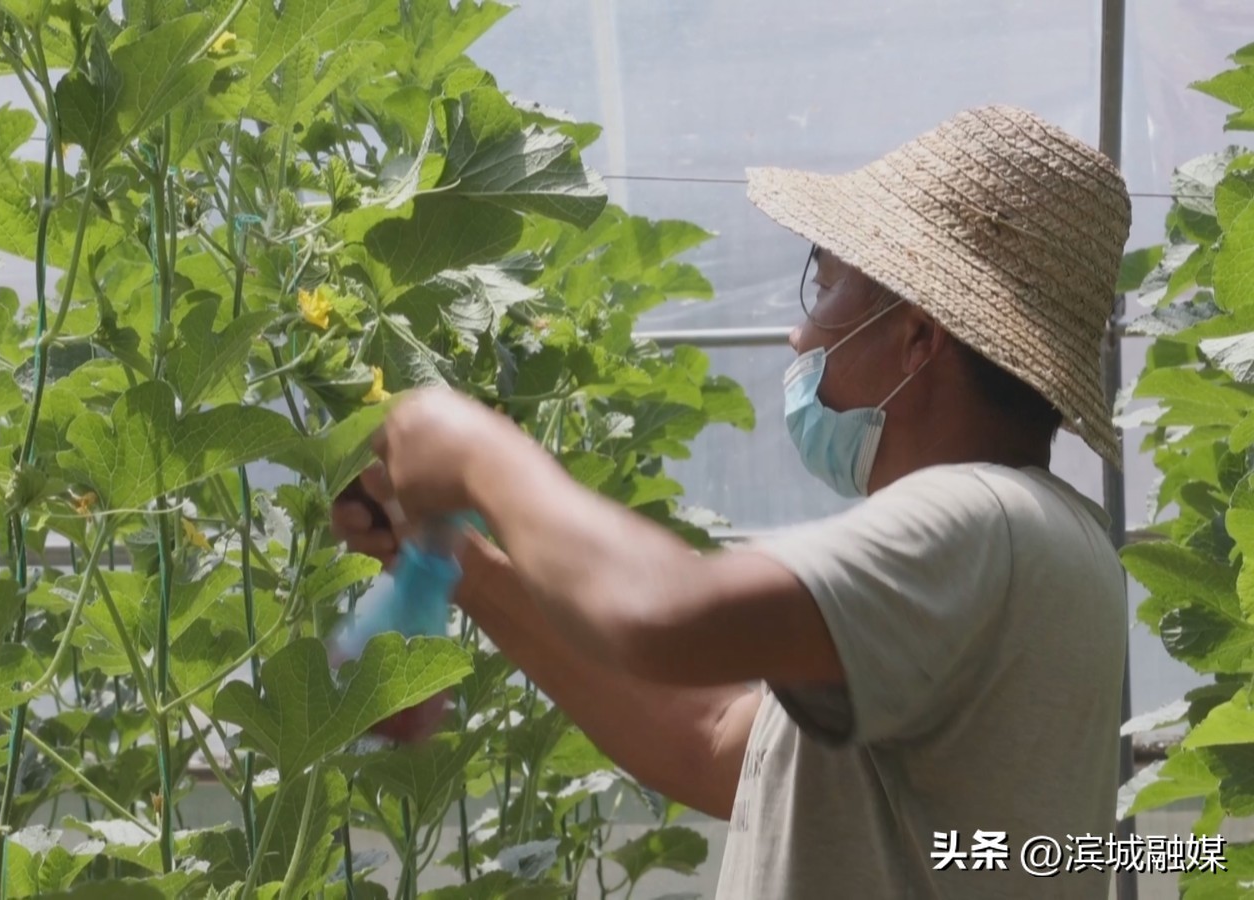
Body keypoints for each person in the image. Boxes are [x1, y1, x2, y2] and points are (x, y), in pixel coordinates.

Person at [330, 105, 1132, 899]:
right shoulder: (1046, 543)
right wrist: (462, 565)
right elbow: (716, 747)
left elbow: (662, 610)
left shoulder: (982, 520)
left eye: (828, 281)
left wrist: (475, 452)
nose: (798, 336)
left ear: (918, 338)